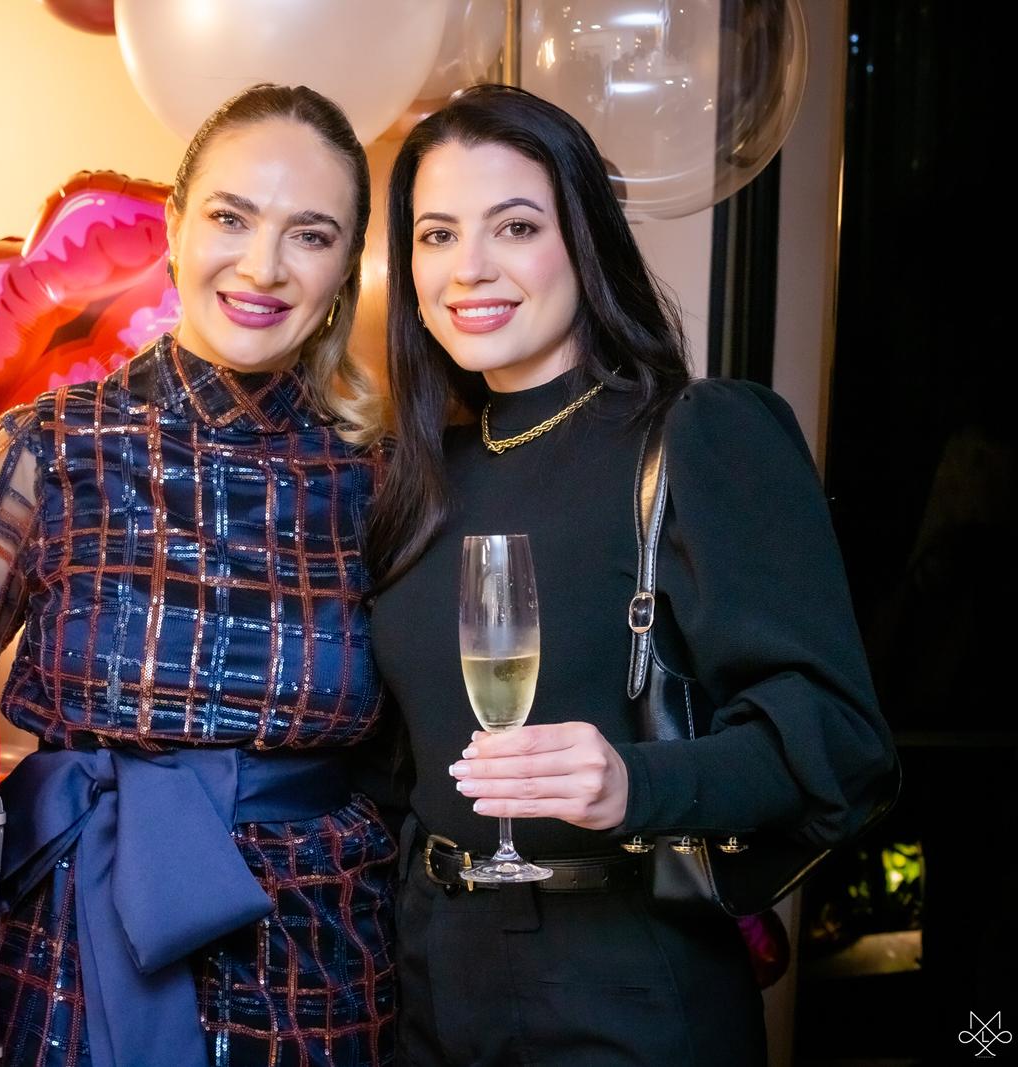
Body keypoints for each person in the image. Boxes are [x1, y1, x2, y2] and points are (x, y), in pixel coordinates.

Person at [365, 85, 898, 1065]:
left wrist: (633, 781)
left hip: (626, 984)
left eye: (515, 226)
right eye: (437, 235)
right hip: (429, 980)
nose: (468, 267)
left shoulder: (697, 436)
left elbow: (838, 739)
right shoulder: (416, 479)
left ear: (586, 239)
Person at [0, 84, 395, 1067]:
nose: (263, 266)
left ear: (344, 267)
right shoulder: (47, 446)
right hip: (77, 961)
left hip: (319, 971)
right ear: (177, 225)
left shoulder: (379, 480)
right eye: (232, 217)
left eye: (310, 235)